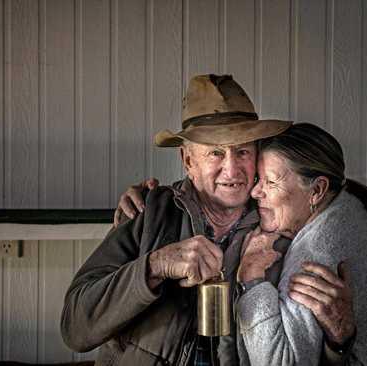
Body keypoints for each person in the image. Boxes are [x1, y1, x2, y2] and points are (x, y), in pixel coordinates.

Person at [61, 74, 294, 366]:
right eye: (216, 152)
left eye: (243, 151)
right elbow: (75, 328)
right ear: (187, 161)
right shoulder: (149, 211)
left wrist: (338, 345)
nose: (232, 169)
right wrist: (155, 266)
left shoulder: (279, 222)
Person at [235, 123, 367, 365]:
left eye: (270, 182)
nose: (256, 192)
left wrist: (252, 279)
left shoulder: (317, 250)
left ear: (317, 190)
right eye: (258, 179)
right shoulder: (351, 208)